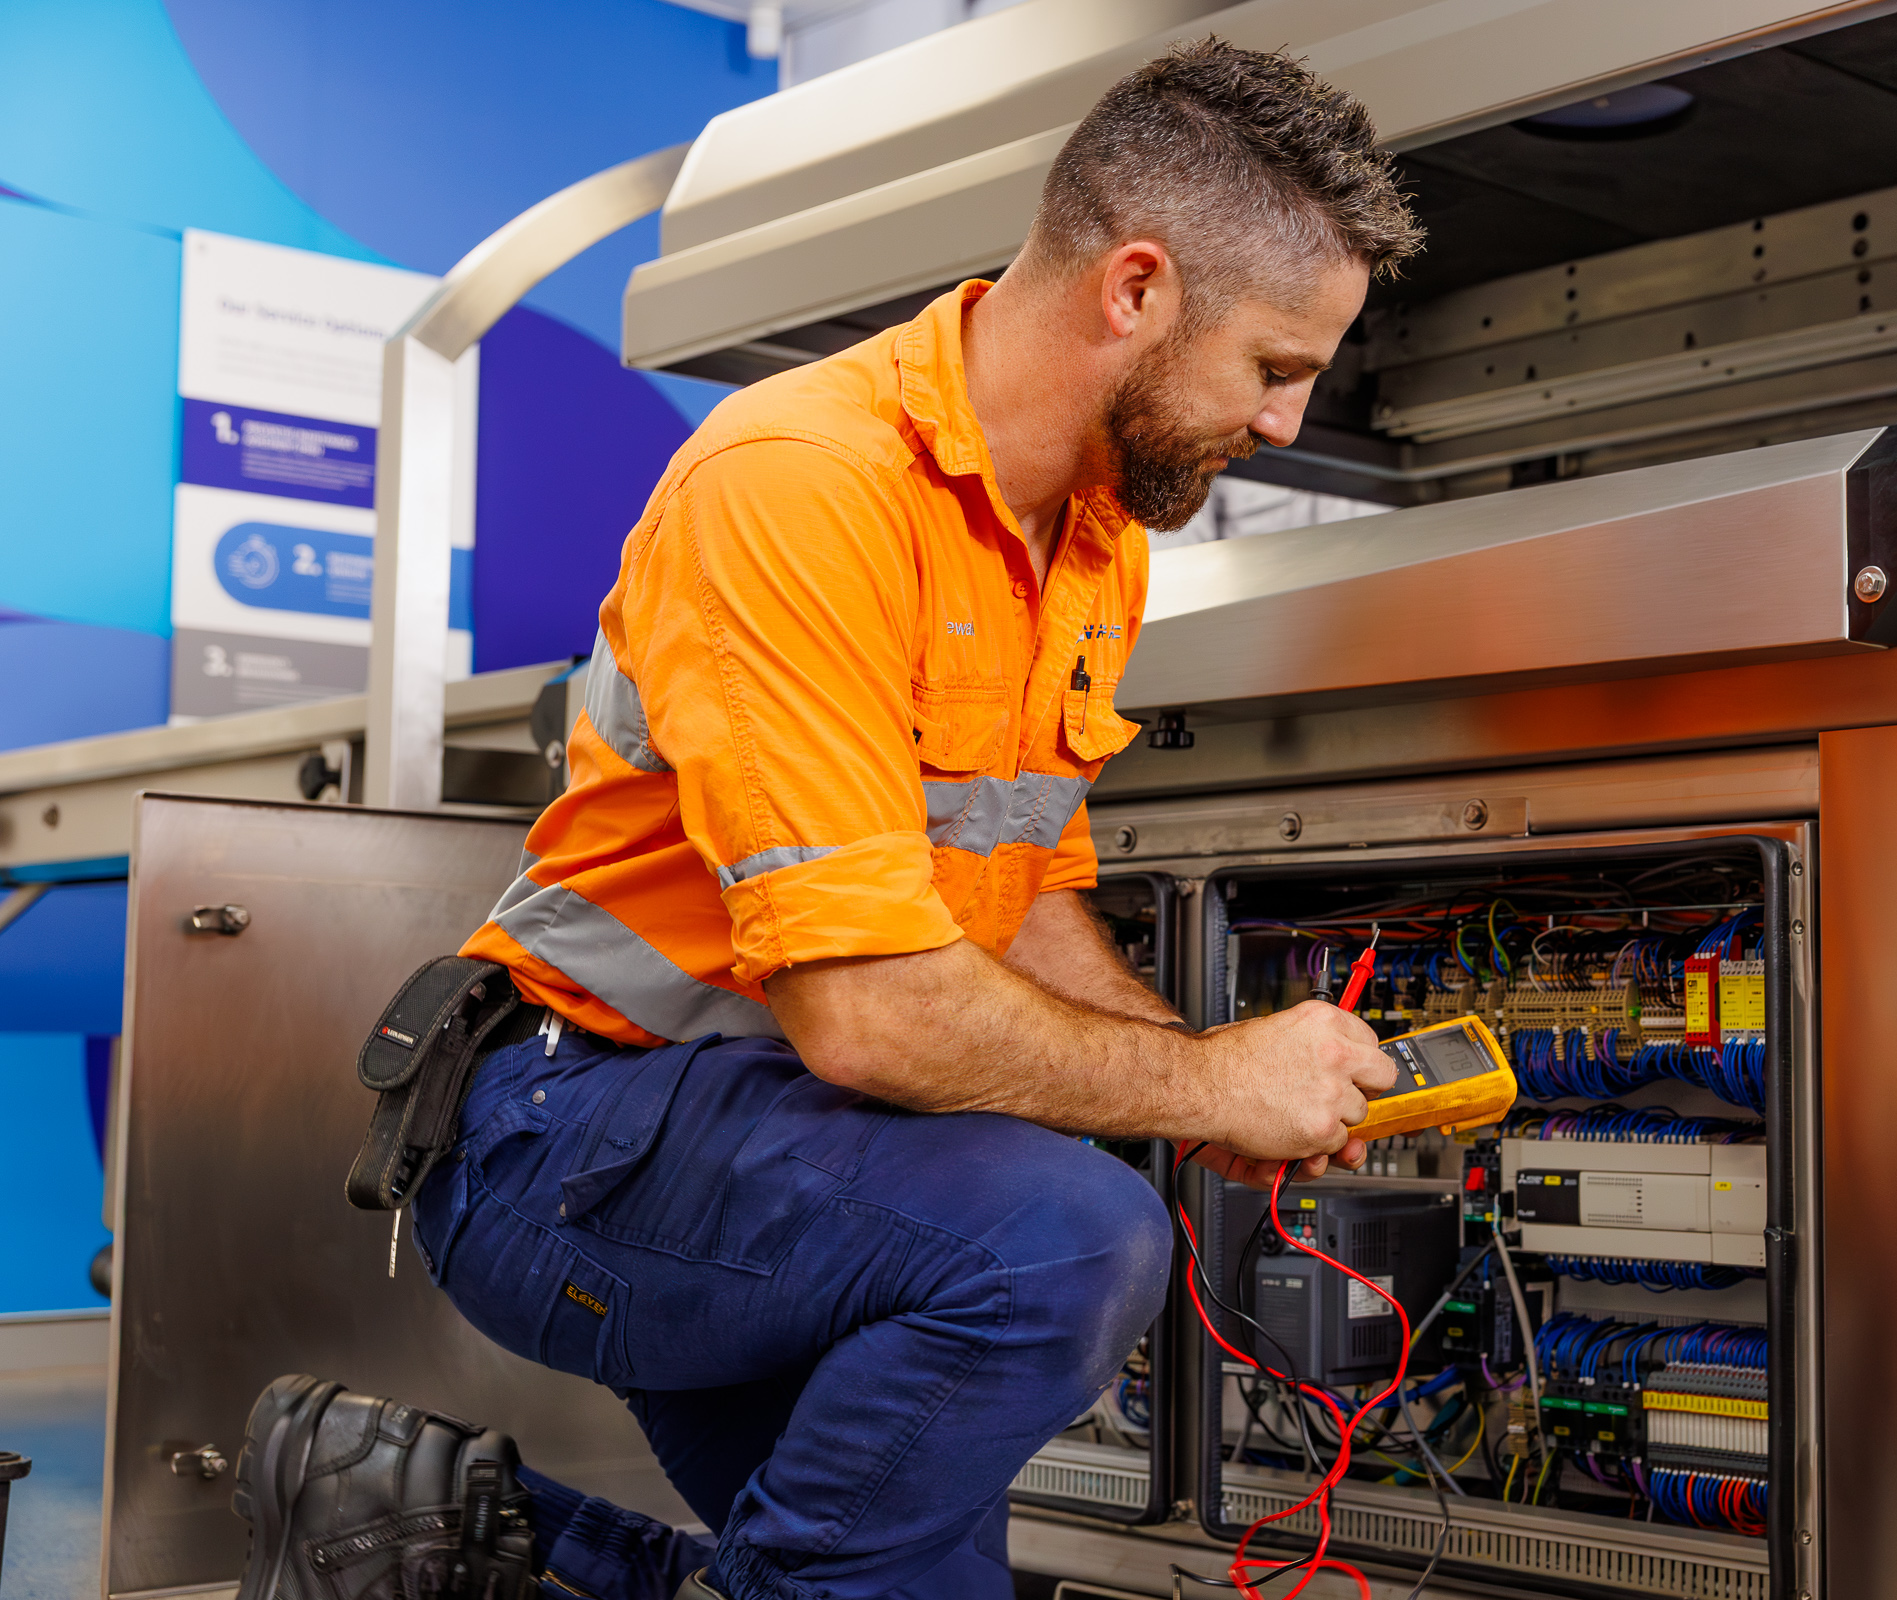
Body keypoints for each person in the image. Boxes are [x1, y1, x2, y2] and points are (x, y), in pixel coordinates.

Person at [232, 35, 1424, 1600]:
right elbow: (865, 1016)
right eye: (1276, 365)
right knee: (1076, 1236)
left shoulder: (1092, 541)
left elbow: (1026, 888)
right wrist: (1201, 1084)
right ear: (1135, 290)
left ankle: (421, 1529)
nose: (1285, 423)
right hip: (569, 1137)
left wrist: (1217, 1091)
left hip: (784, 1149)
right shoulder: (803, 484)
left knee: (886, 1581)